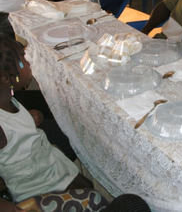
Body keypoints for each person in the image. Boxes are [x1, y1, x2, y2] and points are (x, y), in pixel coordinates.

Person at [0, 37, 152, 212]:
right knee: (125, 204)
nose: (28, 63)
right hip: (39, 188)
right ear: (5, 78)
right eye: (22, 61)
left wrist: (34, 119)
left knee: (87, 186)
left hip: (48, 169)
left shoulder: (8, 102)